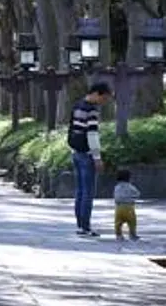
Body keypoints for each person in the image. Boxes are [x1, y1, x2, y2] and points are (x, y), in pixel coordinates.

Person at [67, 81, 112, 237]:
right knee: (88, 191)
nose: (103, 102)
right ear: (96, 94)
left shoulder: (77, 106)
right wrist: (97, 157)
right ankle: (85, 226)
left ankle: (80, 225)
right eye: (104, 98)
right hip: (87, 154)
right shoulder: (91, 111)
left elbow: (72, 129)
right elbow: (92, 135)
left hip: (75, 152)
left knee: (79, 190)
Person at [113, 169, 140, 241]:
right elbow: (137, 194)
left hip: (119, 207)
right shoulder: (130, 187)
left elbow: (115, 196)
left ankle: (118, 235)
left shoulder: (117, 187)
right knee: (132, 222)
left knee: (118, 223)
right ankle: (132, 234)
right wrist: (132, 198)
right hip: (129, 207)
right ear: (129, 178)